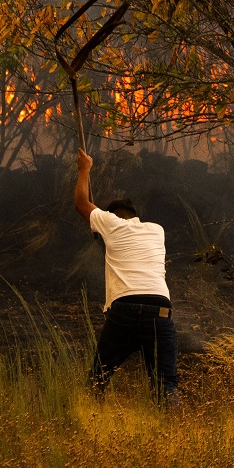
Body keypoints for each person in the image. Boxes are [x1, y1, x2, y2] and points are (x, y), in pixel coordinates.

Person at [73, 148, 178, 404]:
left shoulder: (111, 224)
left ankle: (91, 420)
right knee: (165, 384)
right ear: (135, 216)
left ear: (112, 217)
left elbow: (81, 204)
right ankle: (173, 430)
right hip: (160, 310)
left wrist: (84, 169)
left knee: (98, 377)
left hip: (125, 308)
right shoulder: (156, 230)